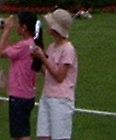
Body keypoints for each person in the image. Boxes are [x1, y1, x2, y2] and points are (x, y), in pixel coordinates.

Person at [0, 10, 43, 140]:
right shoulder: (32, 44)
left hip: (19, 95)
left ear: (24, 28)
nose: (15, 26)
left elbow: (0, 52)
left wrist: (6, 30)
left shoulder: (24, 45)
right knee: (19, 133)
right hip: (28, 94)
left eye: (17, 24)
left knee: (22, 135)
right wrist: (5, 33)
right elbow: (7, 52)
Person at [33, 9, 77, 140]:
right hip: (47, 95)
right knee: (43, 136)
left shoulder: (68, 49)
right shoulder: (52, 47)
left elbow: (59, 77)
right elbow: (48, 73)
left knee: (59, 137)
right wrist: (37, 60)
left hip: (61, 99)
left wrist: (43, 58)